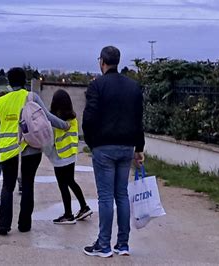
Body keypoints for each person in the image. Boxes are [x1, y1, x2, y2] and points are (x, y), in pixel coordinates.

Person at [82, 46, 145, 257]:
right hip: (126, 147)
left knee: (106, 197)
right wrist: (139, 148)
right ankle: (123, 244)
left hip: (103, 147)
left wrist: (92, 143)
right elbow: (138, 120)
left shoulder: (97, 86)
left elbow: (88, 119)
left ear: (102, 62)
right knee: (122, 195)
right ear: (117, 61)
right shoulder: (133, 87)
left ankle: (104, 245)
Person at [0, 67, 69, 236]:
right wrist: (64, 125)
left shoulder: (0, 102)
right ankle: (24, 224)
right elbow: (46, 116)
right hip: (30, 148)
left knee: (7, 186)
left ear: (9, 81)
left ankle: (3, 226)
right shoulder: (31, 97)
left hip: (7, 151)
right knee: (28, 185)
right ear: (24, 81)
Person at [44, 89, 92, 225]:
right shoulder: (73, 119)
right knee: (71, 181)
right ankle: (84, 206)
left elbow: (50, 141)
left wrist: (46, 153)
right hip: (71, 155)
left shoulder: (55, 122)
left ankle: (68, 214)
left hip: (59, 157)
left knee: (63, 185)